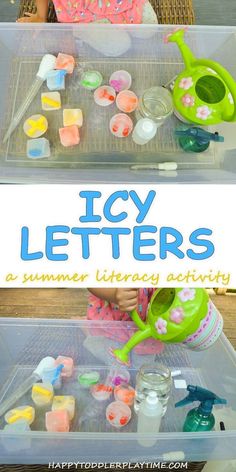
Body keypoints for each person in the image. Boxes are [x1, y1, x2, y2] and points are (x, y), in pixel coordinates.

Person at [87, 288, 164, 355]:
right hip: (112, 326)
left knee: (144, 366)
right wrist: (114, 294)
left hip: (146, 330)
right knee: (115, 361)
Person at [17, 0, 158, 24]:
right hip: (80, 13)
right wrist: (41, 16)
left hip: (120, 4)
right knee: (117, 48)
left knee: (151, 27)